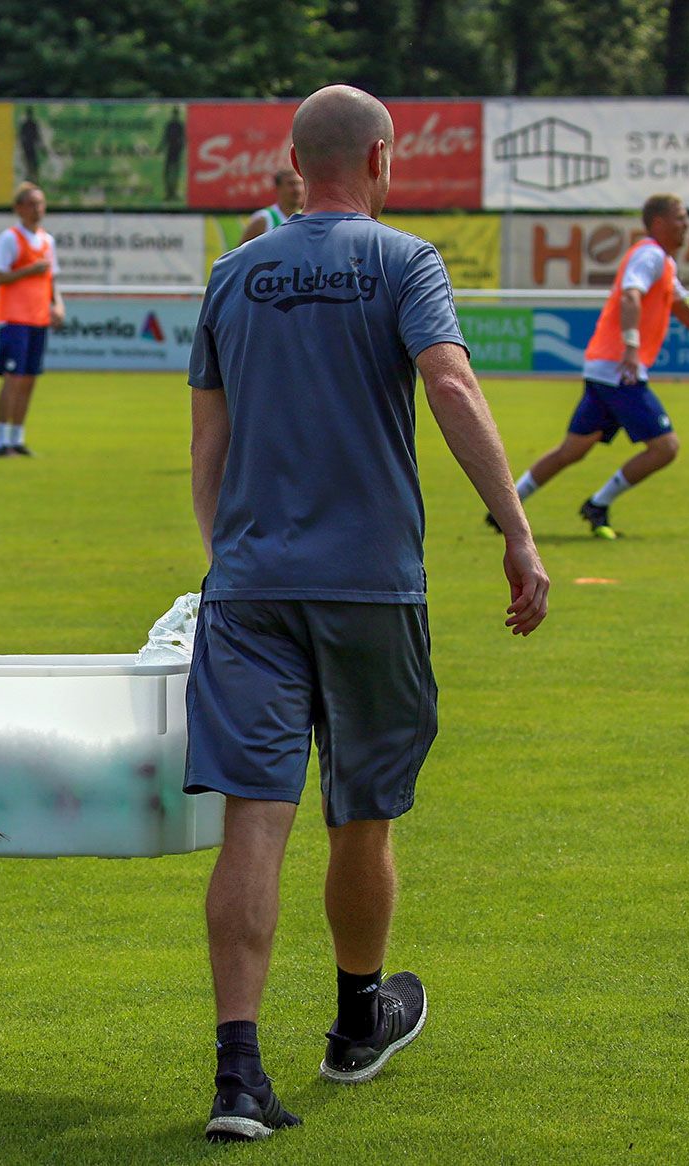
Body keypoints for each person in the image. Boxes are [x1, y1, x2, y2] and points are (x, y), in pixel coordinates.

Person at [186, 84, 550, 1143]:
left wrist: (226, 559)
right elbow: (448, 386)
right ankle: (355, 1021)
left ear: (294, 161)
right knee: (361, 808)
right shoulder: (404, 262)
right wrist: (515, 530)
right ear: (383, 157)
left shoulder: (233, 273)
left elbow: (206, 446)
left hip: (249, 585)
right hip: (368, 584)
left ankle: (238, 1073)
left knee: (255, 818)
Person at [505, 194, 689, 538]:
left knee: (573, 450)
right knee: (665, 448)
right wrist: (632, 346)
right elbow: (631, 295)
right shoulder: (649, 256)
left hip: (605, 367)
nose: (686, 225)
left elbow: (684, 309)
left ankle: (507, 507)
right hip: (620, 370)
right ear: (659, 223)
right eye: (681, 218)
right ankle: (598, 504)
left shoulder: (663, 262)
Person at [0, 182, 64, 457]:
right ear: (19, 208)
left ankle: (17, 438)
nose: (38, 209)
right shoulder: (10, 239)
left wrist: (57, 305)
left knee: (30, 379)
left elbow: (52, 279)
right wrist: (29, 270)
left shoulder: (47, 241)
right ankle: (1, 441)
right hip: (14, 319)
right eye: (32, 204)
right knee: (13, 378)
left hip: (38, 320)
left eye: (41, 203)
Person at [237, 168, 305, 245]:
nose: (297, 189)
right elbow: (241, 254)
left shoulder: (305, 217)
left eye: (300, 183)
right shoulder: (263, 219)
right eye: (291, 184)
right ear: (278, 188)